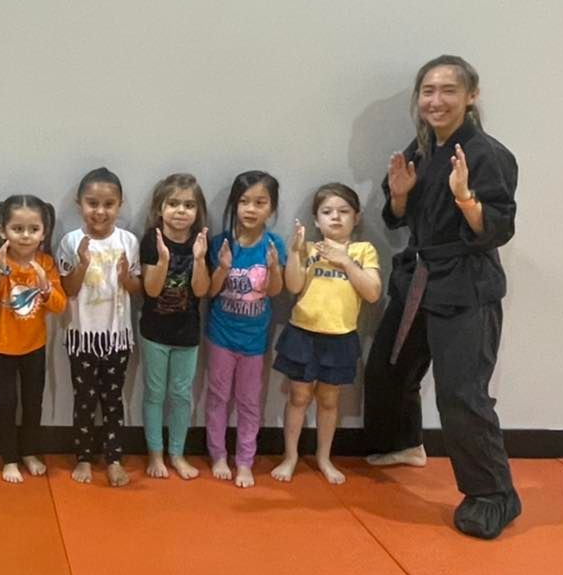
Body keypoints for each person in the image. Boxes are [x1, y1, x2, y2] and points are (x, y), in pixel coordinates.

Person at [363, 54, 522, 539]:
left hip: (466, 284)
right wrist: (399, 195)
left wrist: (466, 199)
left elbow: (498, 228)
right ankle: (403, 442)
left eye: (448, 90)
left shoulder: (487, 154)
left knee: (461, 394)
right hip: (422, 275)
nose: (436, 100)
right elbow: (400, 218)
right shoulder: (424, 146)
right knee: (389, 368)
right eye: (428, 91)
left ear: (471, 96)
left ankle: (494, 494)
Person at [272, 183, 381, 484]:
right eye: (327, 212)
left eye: (344, 211)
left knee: (330, 400)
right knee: (298, 395)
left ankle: (323, 457)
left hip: (341, 336)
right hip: (303, 333)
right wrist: (295, 253)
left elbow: (372, 293)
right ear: (316, 219)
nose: (335, 217)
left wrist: (345, 260)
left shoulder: (363, 250)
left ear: (356, 218)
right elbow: (292, 286)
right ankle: (291, 456)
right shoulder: (309, 249)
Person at [57, 168, 142, 486]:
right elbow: (68, 289)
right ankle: (83, 457)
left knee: (112, 398)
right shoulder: (70, 241)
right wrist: (81, 263)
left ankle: (114, 458)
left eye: (109, 204)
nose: (100, 211)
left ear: (119, 205)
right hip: (82, 336)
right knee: (84, 399)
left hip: (116, 335)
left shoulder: (128, 241)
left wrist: (125, 277)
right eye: (93, 203)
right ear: (80, 204)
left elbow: (135, 288)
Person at [0, 195, 68, 483]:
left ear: (44, 232)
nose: (25, 236)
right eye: (17, 229)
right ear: (3, 231)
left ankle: (29, 451)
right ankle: (9, 458)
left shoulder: (46, 263)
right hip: (1, 345)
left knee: (33, 402)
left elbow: (59, 306)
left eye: (33, 229)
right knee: (6, 402)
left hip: (34, 346)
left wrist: (44, 288)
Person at [203, 171, 286, 488]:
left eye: (260, 202)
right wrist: (223, 267)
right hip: (221, 335)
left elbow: (275, 292)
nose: (251, 209)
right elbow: (210, 292)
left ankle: (245, 461)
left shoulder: (273, 244)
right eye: (244, 201)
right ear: (234, 205)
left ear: (271, 208)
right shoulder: (220, 243)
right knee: (218, 396)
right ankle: (218, 455)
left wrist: (275, 267)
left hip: (255, 340)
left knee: (250, 402)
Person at [138, 173, 214, 480]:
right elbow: (152, 290)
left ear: (197, 212)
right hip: (155, 332)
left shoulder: (200, 241)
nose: (181, 211)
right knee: (155, 393)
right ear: (160, 208)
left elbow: (201, 291)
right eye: (173, 204)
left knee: (182, 395)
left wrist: (198, 260)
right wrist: (164, 261)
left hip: (187, 333)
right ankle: (155, 454)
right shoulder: (150, 240)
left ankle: (177, 453)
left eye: (188, 205)